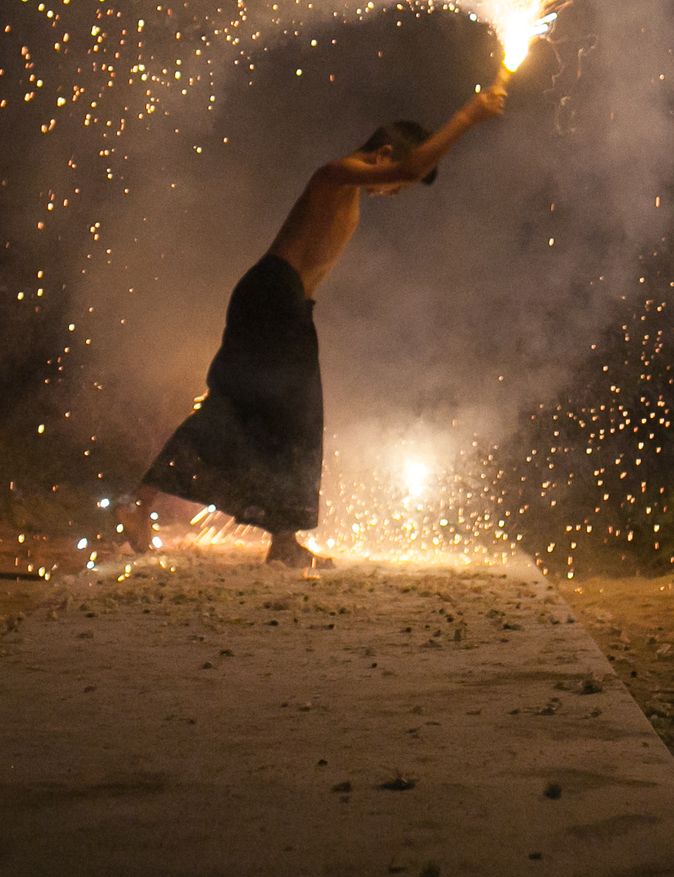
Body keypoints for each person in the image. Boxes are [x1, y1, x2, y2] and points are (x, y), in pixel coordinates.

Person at [123, 79, 507, 568]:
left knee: (291, 419)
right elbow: (411, 163)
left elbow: (406, 171)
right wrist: (469, 116)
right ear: (382, 154)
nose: (392, 191)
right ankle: (147, 507)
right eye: (396, 183)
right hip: (270, 295)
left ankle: (280, 541)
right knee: (249, 410)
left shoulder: (349, 191)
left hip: (288, 303)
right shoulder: (334, 174)